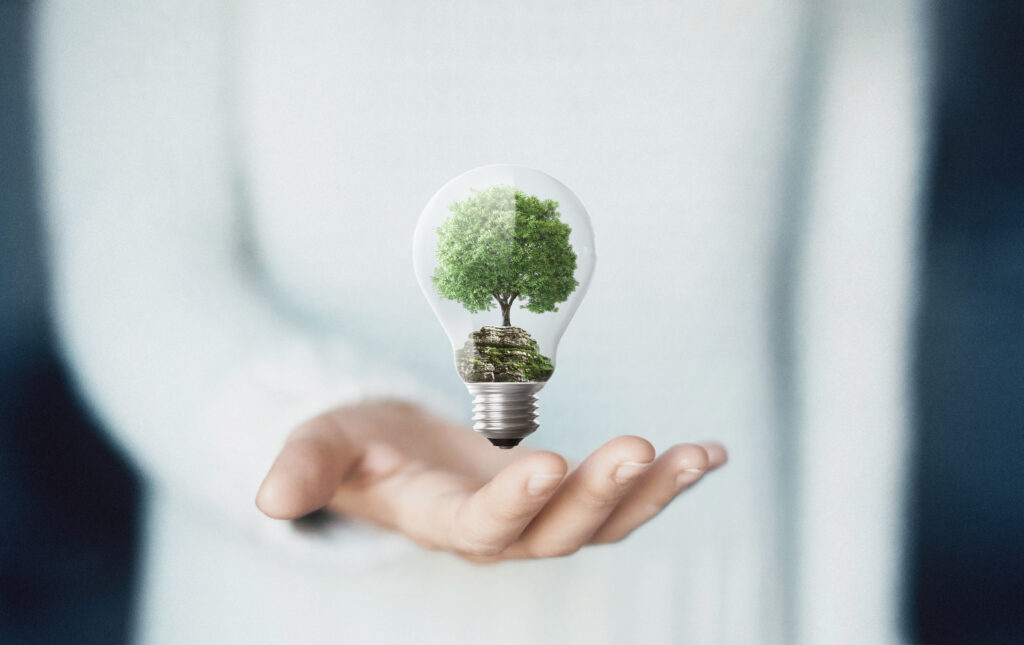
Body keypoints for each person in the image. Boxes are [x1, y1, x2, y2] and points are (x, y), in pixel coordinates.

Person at [33, 1, 926, 643]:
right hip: (287, 610)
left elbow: (851, 321)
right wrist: (305, 413)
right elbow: (134, 258)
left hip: (707, 600)